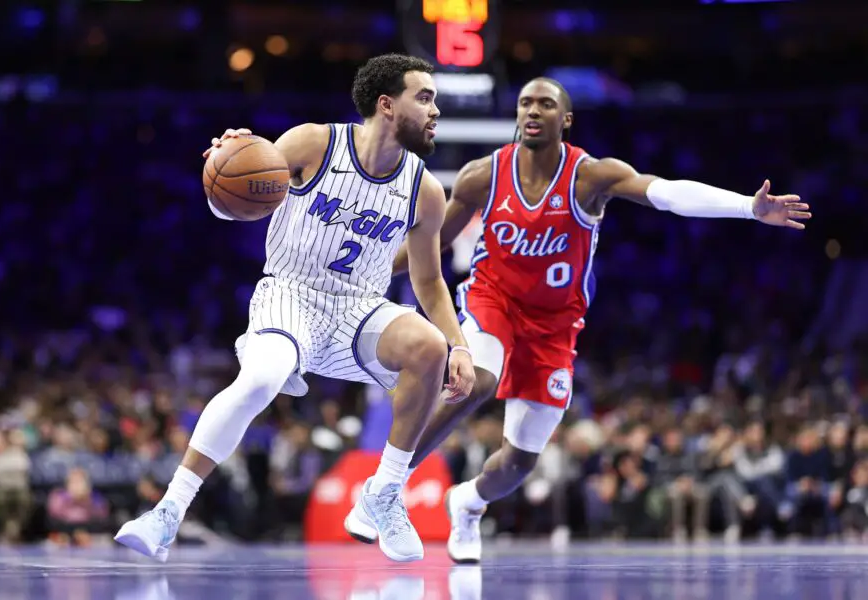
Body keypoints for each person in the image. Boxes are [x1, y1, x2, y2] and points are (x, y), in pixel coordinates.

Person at [345, 77, 810, 563]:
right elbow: (434, 244)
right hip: (492, 299)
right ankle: (384, 486)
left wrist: (748, 209)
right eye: (525, 102)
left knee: (519, 463)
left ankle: (468, 502)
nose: (532, 110)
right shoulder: (483, 175)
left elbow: (667, 193)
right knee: (478, 381)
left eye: (545, 104)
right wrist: (368, 270)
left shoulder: (591, 177)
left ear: (565, 119)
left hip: (554, 324)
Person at [114, 53, 476, 563]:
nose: (436, 109)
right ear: (387, 105)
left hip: (359, 309)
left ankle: (383, 494)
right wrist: (228, 166)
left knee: (429, 347)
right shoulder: (313, 142)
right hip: (291, 294)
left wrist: (457, 344)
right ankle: (167, 512)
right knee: (261, 380)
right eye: (425, 97)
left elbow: (429, 281)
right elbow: (234, 203)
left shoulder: (427, 190)